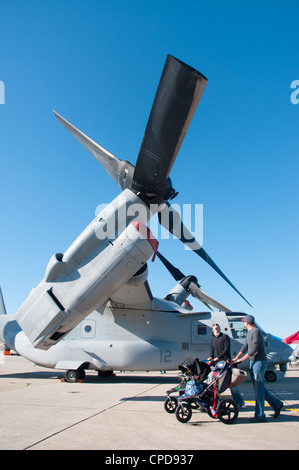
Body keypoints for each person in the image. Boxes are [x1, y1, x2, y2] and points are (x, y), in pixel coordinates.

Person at [233, 314, 283, 423]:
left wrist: (242, 359)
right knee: (259, 388)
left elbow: (253, 350)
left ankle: (260, 415)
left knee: (258, 391)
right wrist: (236, 357)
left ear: (247, 322)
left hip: (259, 362)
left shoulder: (255, 332)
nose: (243, 323)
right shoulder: (249, 333)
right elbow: (245, 346)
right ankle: (277, 404)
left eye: (244, 321)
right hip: (253, 362)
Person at [207, 323, 245, 409]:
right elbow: (211, 351)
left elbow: (226, 349)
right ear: (212, 329)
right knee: (215, 383)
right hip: (217, 365)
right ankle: (217, 401)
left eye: (218, 325)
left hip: (225, 362)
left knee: (231, 383)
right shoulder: (212, 339)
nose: (216, 325)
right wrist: (210, 357)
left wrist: (218, 358)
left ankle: (239, 402)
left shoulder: (225, 337)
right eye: (214, 325)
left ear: (219, 328)